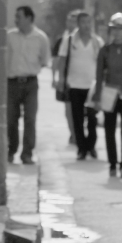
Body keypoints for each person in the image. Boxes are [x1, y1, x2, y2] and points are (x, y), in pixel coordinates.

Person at [93, 13, 122, 180]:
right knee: (109, 131)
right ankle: (112, 164)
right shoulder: (104, 51)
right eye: (114, 29)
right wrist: (97, 97)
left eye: (120, 29)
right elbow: (99, 76)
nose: (117, 33)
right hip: (109, 94)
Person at [57, 11, 104, 160]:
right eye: (83, 22)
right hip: (75, 84)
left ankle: (91, 146)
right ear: (78, 24)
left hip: (92, 85)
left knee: (92, 117)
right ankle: (81, 148)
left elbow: (103, 63)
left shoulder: (97, 41)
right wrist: (61, 79)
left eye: (89, 22)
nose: (87, 25)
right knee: (77, 118)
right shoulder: (70, 40)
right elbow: (62, 59)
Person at [7, 5, 51, 165]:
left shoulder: (41, 38)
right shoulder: (9, 36)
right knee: (11, 118)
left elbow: (45, 60)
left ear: (29, 18)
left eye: (19, 16)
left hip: (31, 83)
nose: (16, 20)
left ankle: (27, 154)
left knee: (30, 119)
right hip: (11, 82)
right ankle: (11, 150)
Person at [52, 9, 81, 145]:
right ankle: (74, 134)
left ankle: (80, 132)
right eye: (70, 20)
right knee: (69, 109)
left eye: (75, 20)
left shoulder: (91, 39)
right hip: (68, 81)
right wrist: (56, 78)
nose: (72, 23)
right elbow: (57, 60)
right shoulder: (63, 40)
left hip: (85, 81)